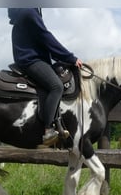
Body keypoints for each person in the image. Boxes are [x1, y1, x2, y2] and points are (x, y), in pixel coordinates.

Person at [8, 8, 83, 146]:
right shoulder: (29, 11)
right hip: (30, 60)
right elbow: (45, 37)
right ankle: (48, 130)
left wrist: (62, 58)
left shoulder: (27, 11)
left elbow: (42, 41)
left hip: (34, 58)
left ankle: (58, 123)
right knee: (56, 86)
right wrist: (70, 57)